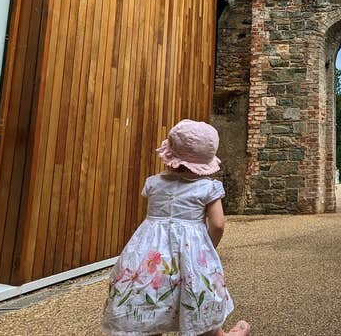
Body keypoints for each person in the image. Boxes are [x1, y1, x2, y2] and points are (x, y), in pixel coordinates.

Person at [102, 119, 250, 336]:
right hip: (190, 252)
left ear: (171, 154)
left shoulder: (153, 183)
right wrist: (208, 249)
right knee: (196, 291)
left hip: (150, 255)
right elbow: (218, 224)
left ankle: (151, 328)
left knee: (151, 291)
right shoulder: (207, 188)